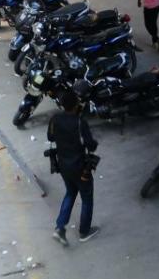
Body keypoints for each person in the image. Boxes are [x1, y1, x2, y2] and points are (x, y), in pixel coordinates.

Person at [48, 90, 99, 246]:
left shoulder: (55, 119)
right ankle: (84, 231)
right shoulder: (79, 122)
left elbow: (50, 137)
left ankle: (60, 227)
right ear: (76, 104)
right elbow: (91, 145)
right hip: (80, 166)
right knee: (86, 197)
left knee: (70, 193)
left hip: (63, 165)